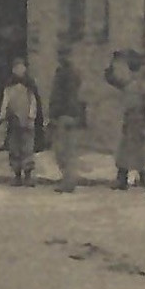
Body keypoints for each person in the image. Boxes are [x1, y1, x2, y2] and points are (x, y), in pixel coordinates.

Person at [105, 51, 145, 190]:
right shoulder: (131, 84)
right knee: (125, 150)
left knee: (136, 152)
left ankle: (144, 179)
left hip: (138, 120)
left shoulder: (142, 86)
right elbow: (113, 80)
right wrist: (110, 66)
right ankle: (123, 178)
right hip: (130, 120)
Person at [0, 58, 44, 187]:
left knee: (27, 148)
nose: (19, 70)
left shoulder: (29, 84)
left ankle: (28, 175)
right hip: (13, 120)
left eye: (21, 67)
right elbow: (5, 100)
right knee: (14, 147)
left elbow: (33, 102)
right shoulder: (9, 85)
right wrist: (3, 115)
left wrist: (31, 116)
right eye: (16, 67)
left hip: (27, 121)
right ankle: (17, 175)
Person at [48, 48, 85, 193]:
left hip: (65, 115)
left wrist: (58, 114)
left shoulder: (66, 74)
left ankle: (68, 181)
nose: (61, 57)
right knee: (65, 151)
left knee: (63, 151)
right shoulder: (72, 73)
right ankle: (69, 179)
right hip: (68, 115)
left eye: (63, 54)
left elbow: (65, 97)